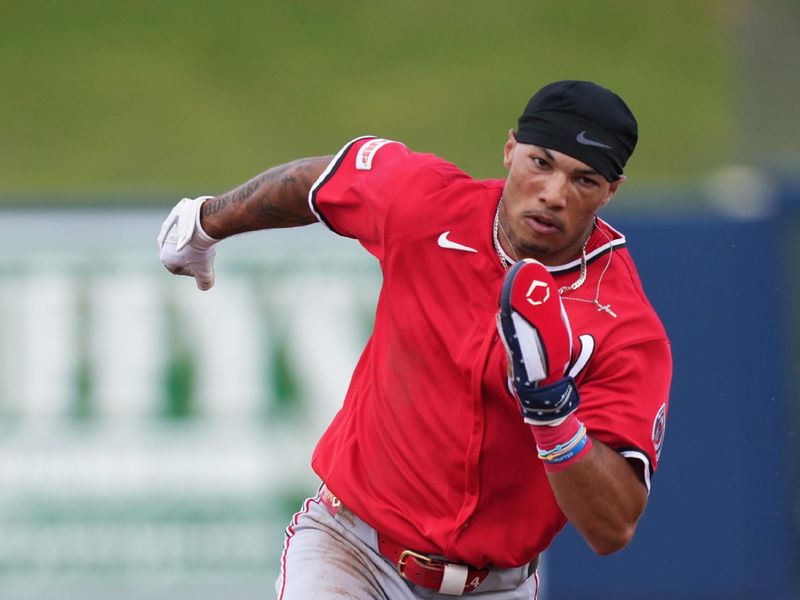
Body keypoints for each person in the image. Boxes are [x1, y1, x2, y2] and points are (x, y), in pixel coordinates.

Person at [158, 80, 672, 599]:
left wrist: (552, 415)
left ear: (611, 191)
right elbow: (320, 181)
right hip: (351, 550)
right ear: (511, 149)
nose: (554, 194)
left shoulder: (621, 324)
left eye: (584, 179)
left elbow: (613, 527)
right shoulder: (428, 204)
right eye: (541, 162)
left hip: (495, 587)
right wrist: (205, 223)